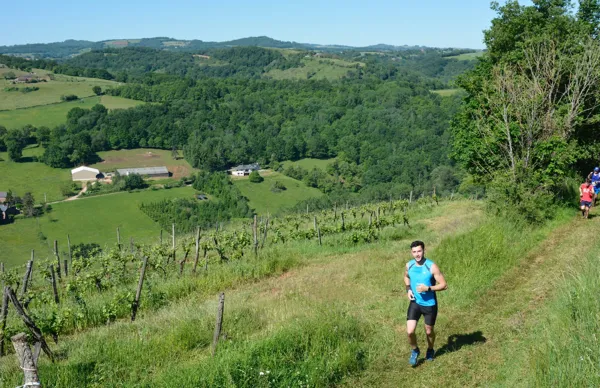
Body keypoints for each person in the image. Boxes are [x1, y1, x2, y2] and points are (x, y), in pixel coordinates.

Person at [404, 240, 447, 366]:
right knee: (410, 332)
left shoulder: (431, 266)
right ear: (411, 252)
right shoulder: (409, 265)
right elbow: (406, 277)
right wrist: (408, 289)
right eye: (414, 252)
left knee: (429, 331)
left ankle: (430, 349)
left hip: (429, 304)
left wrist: (428, 288)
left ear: (424, 250)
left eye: (419, 251)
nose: (417, 254)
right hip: (415, 303)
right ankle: (415, 350)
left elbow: (444, 285)